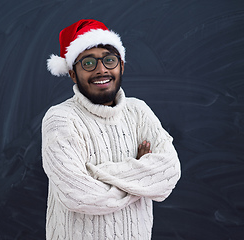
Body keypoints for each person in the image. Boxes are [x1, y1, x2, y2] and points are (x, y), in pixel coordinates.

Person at [42, 19, 181, 240]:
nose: (101, 70)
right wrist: (142, 178)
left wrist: (93, 173)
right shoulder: (60, 119)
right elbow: (79, 195)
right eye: (88, 63)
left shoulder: (139, 111)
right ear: (72, 72)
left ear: (121, 65)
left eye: (109, 60)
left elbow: (169, 172)